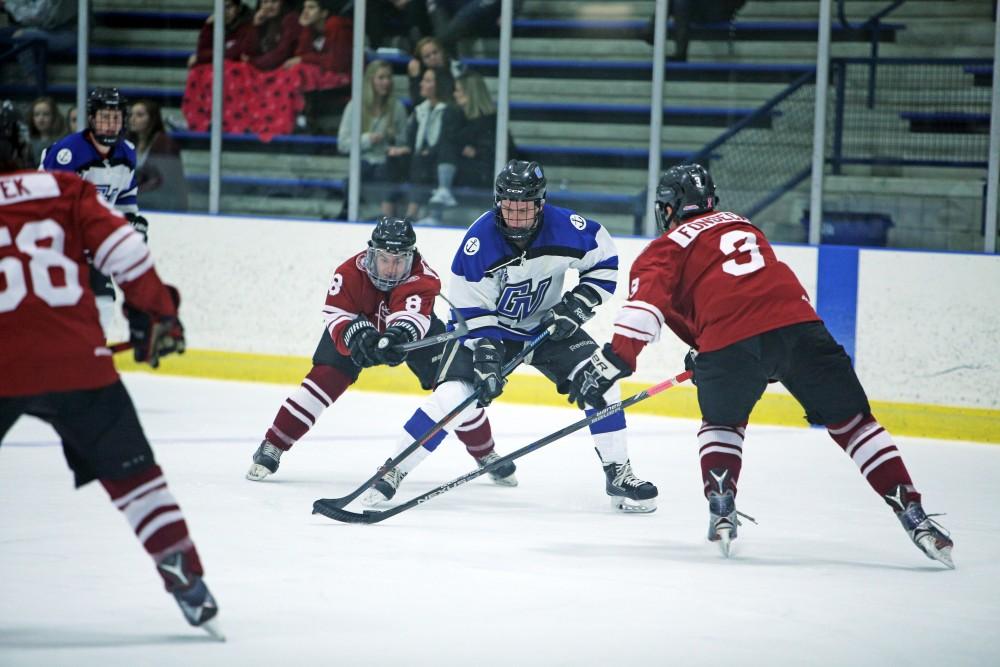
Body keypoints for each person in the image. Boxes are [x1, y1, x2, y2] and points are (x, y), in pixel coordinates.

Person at [567, 163, 954, 566]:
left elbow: (645, 311)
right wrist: (704, 347)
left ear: (670, 208)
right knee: (856, 425)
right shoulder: (743, 225)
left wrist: (614, 361)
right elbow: (747, 289)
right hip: (801, 326)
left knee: (722, 424)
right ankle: (913, 512)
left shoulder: (664, 249)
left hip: (729, 341)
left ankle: (721, 505)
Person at [0, 102, 221, 637]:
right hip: (79, 359)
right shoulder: (66, 189)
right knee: (137, 478)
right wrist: (158, 316)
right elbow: (126, 252)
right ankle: (186, 578)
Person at [362, 160, 658, 512]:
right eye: (509, 207)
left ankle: (618, 474)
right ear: (498, 202)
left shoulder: (568, 228)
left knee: (602, 382)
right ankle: (392, 470)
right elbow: (469, 309)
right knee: (453, 396)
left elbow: (605, 262)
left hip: (550, 327)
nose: (515, 217)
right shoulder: (479, 242)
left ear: (541, 203)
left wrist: (578, 305)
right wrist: (487, 355)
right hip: (492, 330)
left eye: (524, 208)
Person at [247, 216, 517, 489]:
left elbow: (411, 318)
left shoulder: (422, 277)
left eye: (399, 260)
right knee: (323, 380)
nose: (390, 269)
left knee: (455, 388)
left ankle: (485, 452)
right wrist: (356, 334)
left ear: (410, 257)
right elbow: (335, 313)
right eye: (385, 259)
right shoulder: (348, 272)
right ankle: (273, 445)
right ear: (371, 254)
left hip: (418, 337)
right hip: (357, 325)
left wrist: (396, 336)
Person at [41, 87, 147, 337]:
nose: (110, 125)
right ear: (91, 119)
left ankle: (83, 357)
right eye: (104, 117)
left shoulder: (127, 153)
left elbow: (124, 199)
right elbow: (49, 205)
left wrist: (131, 222)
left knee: (104, 304)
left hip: (91, 243)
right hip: (55, 242)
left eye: (116, 118)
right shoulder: (68, 154)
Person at [337, 59, 409, 217]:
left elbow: (404, 142)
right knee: (358, 173)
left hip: (387, 161)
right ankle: (348, 213)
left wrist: (393, 139)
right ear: (371, 80)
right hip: (363, 161)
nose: (386, 82)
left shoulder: (397, 108)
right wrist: (367, 139)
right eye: (381, 78)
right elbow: (342, 143)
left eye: (388, 78)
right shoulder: (355, 106)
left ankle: (387, 220)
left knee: (387, 172)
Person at [402, 65, 463, 221]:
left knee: (425, 160)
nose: (421, 84)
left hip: (442, 159)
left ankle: (423, 214)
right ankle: (401, 215)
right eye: (423, 80)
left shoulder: (450, 111)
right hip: (421, 159)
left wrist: (429, 151)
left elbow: (450, 140)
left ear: (439, 85)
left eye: (427, 80)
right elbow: (411, 140)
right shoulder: (419, 110)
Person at [453, 69, 512, 189]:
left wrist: (476, 152)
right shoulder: (459, 118)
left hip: (485, 175)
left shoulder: (489, 121)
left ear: (470, 93)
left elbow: (494, 151)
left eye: (458, 90)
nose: (454, 94)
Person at [128, 98, 189, 212]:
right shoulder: (128, 143)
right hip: (138, 201)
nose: (133, 119)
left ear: (152, 119)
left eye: (140, 115)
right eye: (131, 115)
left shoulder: (165, 144)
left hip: (160, 204)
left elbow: (167, 183)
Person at [642, 0, 747, 62]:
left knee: (681, 2)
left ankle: (653, 30)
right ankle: (652, 29)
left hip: (720, 9)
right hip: (694, 7)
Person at [241, 0, 298, 71]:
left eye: (274, 2)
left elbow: (281, 53)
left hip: (283, 69)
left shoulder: (291, 19)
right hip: (263, 67)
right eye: (265, 2)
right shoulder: (262, 19)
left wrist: (252, 61)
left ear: (282, 3)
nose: (269, 6)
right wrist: (255, 26)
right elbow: (246, 52)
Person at [26, 95, 65, 164]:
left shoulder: (61, 143)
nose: (41, 119)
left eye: (46, 114)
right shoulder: (28, 143)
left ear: (54, 117)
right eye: (37, 114)